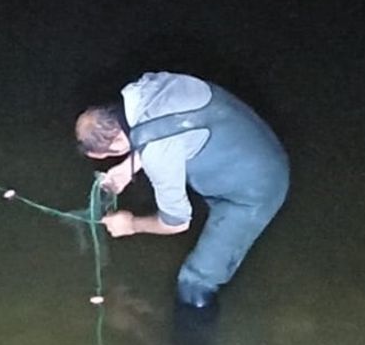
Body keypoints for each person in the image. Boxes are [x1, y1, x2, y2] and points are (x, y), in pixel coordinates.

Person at [75, 72, 289, 310]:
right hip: (257, 145)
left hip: (255, 191)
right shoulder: (141, 89)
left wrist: (131, 224)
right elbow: (163, 127)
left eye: (110, 155)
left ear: (116, 143)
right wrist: (127, 168)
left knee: (194, 284)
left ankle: (192, 332)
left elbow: (176, 223)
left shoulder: (157, 155)